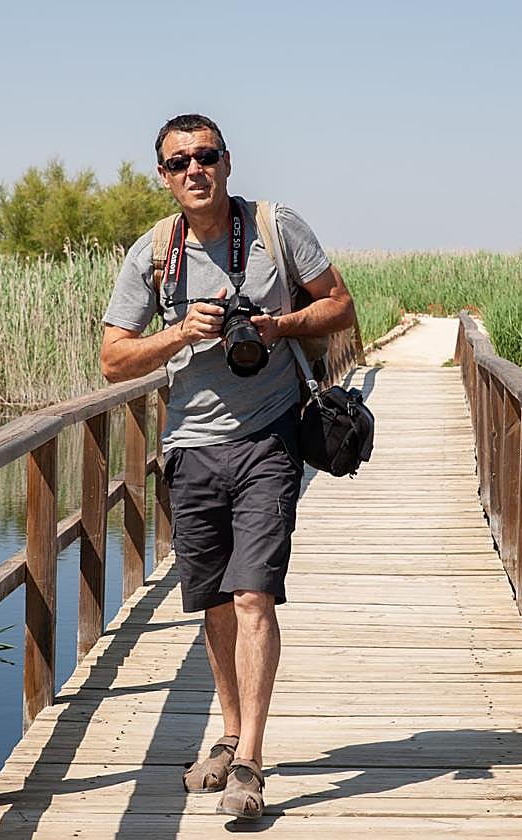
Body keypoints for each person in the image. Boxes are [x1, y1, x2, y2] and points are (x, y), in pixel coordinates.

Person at [100, 113, 355, 820]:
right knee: (214, 601)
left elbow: (340, 305)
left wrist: (279, 325)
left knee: (253, 597)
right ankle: (230, 731)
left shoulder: (276, 227)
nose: (195, 170)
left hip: (269, 438)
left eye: (205, 156)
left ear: (228, 162)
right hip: (189, 447)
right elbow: (113, 359)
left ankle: (250, 763)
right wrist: (181, 333)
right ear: (163, 176)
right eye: (179, 162)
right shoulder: (154, 253)